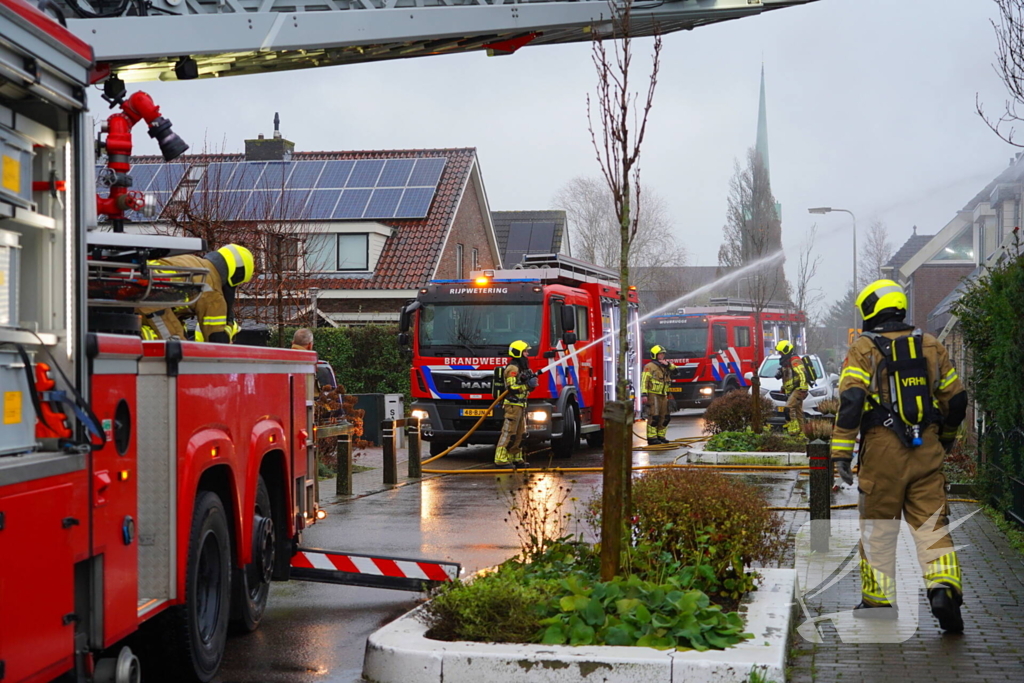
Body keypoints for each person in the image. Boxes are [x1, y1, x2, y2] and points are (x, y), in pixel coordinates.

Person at [831, 279, 968, 632]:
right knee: (932, 526)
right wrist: (946, 440)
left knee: (878, 529)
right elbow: (956, 400)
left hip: (882, 452)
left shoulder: (864, 348)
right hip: (927, 450)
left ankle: (877, 604)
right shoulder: (931, 345)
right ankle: (944, 591)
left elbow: (851, 402)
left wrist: (841, 454)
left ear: (871, 311)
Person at [139, 244, 254, 343]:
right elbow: (215, 338)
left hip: (130, 283)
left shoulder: (195, 262)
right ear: (237, 274)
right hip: (150, 296)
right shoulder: (212, 289)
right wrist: (229, 330)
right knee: (176, 346)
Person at [494, 340, 537, 469]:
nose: (527, 354)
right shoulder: (512, 368)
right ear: (518, 353)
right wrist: (526, 386)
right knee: (509, 432)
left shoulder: (522, 367)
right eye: (525, 351)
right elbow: (511, 387)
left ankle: (515, 457)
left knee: (521, 433)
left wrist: (532, 384)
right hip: (512, 405)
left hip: (521, 405)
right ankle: (500, 458)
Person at [641, 345, 677, 445]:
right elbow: (644, 380)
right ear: (655, 355)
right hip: (653, 394)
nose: (662, 356)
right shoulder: (649, 366)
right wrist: (644, 394)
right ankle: (652, 438)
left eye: (663, 354)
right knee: (654, 416)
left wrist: (668, 364)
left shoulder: (665, 365)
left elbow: (676, 371)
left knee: (665, 417)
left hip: (664, 394)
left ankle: (661, 436)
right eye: (660, 354)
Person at [775, 340, 809, 429]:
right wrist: (784, 387)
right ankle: (803, 432)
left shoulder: (795, 360)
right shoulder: (787, 361)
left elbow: (802, 374)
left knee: (788, 409)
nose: (780, 354)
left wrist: (803, 389)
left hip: (798, 389)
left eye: (781, 352)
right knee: (799, 412)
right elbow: (789, 378)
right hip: (794, 389)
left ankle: (793, 430)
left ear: (786, 351)